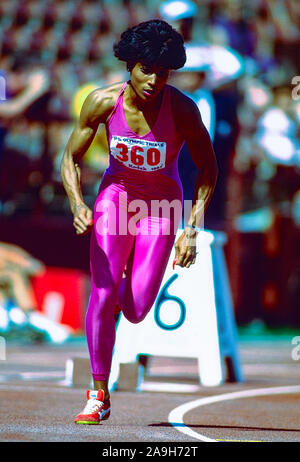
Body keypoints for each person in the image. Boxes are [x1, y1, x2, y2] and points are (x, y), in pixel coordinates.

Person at [60, 19, 218, 425]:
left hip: (162, 207)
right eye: (146, 69)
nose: (153, 80)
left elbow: (208, 169)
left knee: (135, 309)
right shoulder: (101, 102)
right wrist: (78, 203)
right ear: (129, 65)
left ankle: (130, 271)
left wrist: (192, 228)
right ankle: (98, 392)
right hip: (116, 199)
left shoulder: (182, 108)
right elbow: (70, 157)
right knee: (103, 291)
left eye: (162, 73)